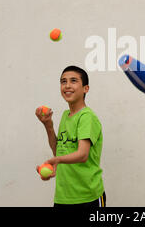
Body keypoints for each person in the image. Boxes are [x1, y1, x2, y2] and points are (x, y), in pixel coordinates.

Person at [35, 65, 106, 207]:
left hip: (88, 196)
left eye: (73, 81)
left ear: (86, 88)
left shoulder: (87, 117)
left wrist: (57, 160)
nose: (67, 85)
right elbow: (59, 151)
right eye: (63, 81)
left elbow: (82, 154)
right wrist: (48, 126)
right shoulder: (65, 116)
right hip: (63, 197)